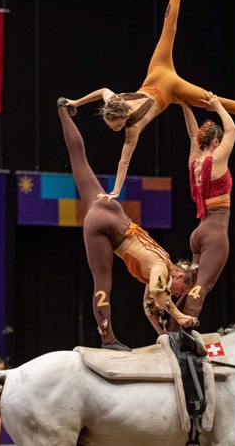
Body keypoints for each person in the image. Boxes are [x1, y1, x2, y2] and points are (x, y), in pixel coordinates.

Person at [61, 0, 235, 201]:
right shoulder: (114, 100)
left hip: (170, 87)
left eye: (116, 126)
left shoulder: (132, 129)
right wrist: (74, 102)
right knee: (169, 27)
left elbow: (124, 159)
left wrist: (116, 190)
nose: (115, 130)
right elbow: (102, 91)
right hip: (157, 72)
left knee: (219, 103)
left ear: (124, 117)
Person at [57, 102, 200, 350]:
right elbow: (158, 293)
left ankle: (62, 109)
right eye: (181, 289)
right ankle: (108, 340)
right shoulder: (160, 267)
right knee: (102, 282)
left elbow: (150, 304)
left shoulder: (163, 264)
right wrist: (180, 316)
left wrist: (163, 334)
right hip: (106, 227)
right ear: (178, 275)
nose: (177, 294)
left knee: (80, 162)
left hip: (110, 210)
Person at [168, 94, 235, 331]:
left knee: (190, 287)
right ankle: (184, 336)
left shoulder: (195, 162)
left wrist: (185, 105)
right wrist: (218, 106)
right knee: (201, 288)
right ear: (216, 142)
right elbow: (232, 128)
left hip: (199, 233)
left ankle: (172, 332)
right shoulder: (217, 159)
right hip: (215, 233)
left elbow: (191, 133)